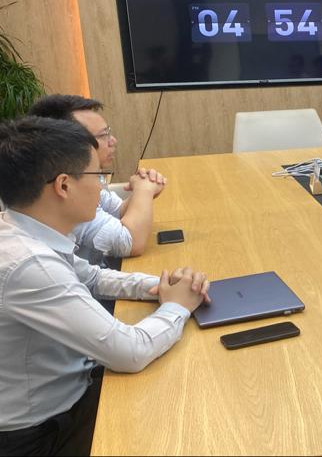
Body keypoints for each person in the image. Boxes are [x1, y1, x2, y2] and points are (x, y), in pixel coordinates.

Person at [0, 116, 209, 456]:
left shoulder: (21, 228)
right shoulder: (29, 264)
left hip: (70, 389)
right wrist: (177, 306)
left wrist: (166, 285)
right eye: (98, 175)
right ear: (63, 186)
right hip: (43, 434)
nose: (102, 188)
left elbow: (93, 277)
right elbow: (129, 352)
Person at [29, 95, 166, 264]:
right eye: (104, 135)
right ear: (70, 143)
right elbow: (130, 242)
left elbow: (117, 211)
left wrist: (143, 186)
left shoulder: (87, 175)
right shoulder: (63, 191)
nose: (113, 141)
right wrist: (144, 190)